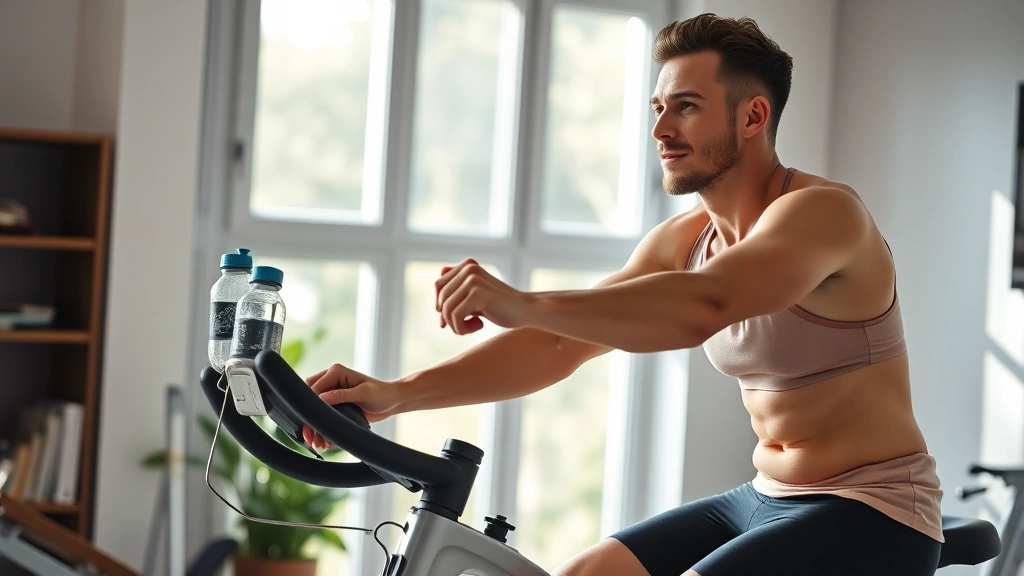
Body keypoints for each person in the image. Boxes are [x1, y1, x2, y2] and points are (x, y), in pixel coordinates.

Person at [302, 13, 943, 576]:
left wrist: (516, 299)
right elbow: (559, 343)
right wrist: (394, 395)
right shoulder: (685, 240)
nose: (662, 128)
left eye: (686, 106)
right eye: (657, 109)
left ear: (753, 115)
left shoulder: (824, 215)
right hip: (766, 495)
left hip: (875, 510)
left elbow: (704, 306)